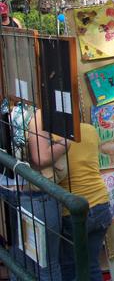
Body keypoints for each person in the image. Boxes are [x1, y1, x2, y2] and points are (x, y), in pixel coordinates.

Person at [0, 103, 67, 280]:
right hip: (35, 196)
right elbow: (41, 157)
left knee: (18, 260)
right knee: (46, 264)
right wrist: (64, 144)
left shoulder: (5, 109)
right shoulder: (33, 113)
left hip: (8, 191)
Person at [59, 123, 110, 281]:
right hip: (101, 203)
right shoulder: (91, 130)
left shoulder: (54, 137)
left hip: (73, 211)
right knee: (92, 265)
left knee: (69, 266)